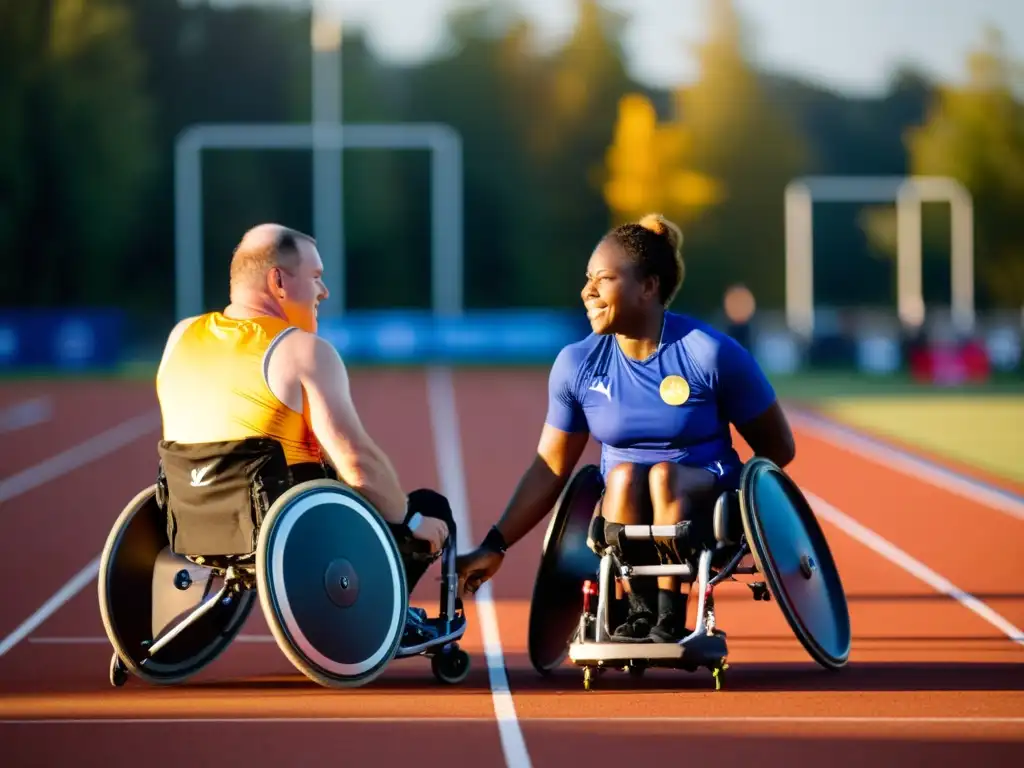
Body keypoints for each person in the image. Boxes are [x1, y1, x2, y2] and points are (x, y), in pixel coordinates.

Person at [456, 213, 795, 643]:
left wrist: (740, 512)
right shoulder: (577, 365)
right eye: (587, 279)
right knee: (623, 476)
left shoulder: (709, 354)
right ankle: (637, 610)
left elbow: (777, 451)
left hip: (704, 500)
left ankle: (670, 614)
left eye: (603, 279)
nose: (587, 292)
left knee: (662, 476)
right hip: (622, 502)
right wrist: (494, 544)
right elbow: (549, 469)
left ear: (648, 287)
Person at [156, 223, 453, 645]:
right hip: (294, 536)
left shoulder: (180, 337)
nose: (324, 291)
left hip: (191, 527)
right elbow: (356, 461)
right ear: (278, 281)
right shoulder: (301, 351)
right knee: (429, 507)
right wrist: (411, 518)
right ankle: (379, 619)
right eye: (315, 277)